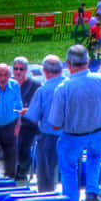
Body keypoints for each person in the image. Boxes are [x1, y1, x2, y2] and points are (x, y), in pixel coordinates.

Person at [43, 44, 101, 201]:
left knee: (68, 168)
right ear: (88, 61)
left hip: (73, 137)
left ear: (68, 64)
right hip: (99, 133)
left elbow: (55, 125)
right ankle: (91, 192)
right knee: (94, 158)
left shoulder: (63, 88)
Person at [17, 54, 64, 192]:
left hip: (49, 138)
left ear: (45, 71)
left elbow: (33, 116)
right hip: (70, 136)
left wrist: (26, 111)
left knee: (45, 177)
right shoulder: (70, 85)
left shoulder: (43, 90)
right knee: (69, 173)